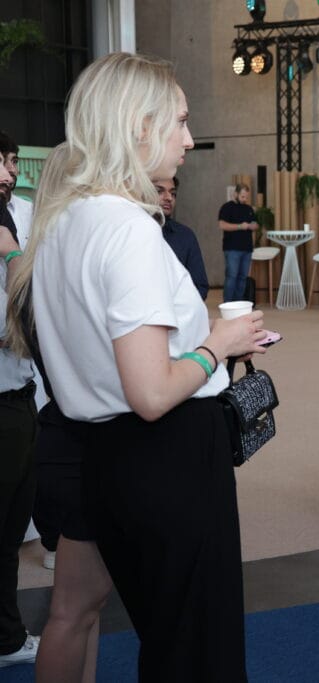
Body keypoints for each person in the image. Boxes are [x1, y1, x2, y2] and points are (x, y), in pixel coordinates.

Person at [5, 52, 267, 679]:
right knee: (197, 651)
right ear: (137, 126)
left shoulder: (64, 221)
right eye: (177, 122)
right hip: (169, 455)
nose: (187, 139)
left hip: (107, 457)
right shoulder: (126, 229)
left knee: (169, 637)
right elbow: (151, 391)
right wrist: (221, 343)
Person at [0, 159, 40, 669]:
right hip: (4, 405)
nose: (8, 179)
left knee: (10, 529)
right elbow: (20, 322)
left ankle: (6, 636)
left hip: (20, 397)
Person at [156, 177, 209, 299]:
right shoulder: (131, 233)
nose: (169, 198)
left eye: (173, 193)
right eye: (159, 191)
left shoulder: (185, 236)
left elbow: (200, 286)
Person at [218, 183, 257, 302]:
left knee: (242, 278)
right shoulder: (227, 207)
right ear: (236, 194)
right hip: (232, 248)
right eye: (243, 196)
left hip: (247, 248)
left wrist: (253, 226)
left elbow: (256, 224)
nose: (245, 199)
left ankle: (239, 303)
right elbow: (222, 225)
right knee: (232, 277)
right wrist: (240, 226)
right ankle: (228, 304)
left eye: (246, 197)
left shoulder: (249, 209)